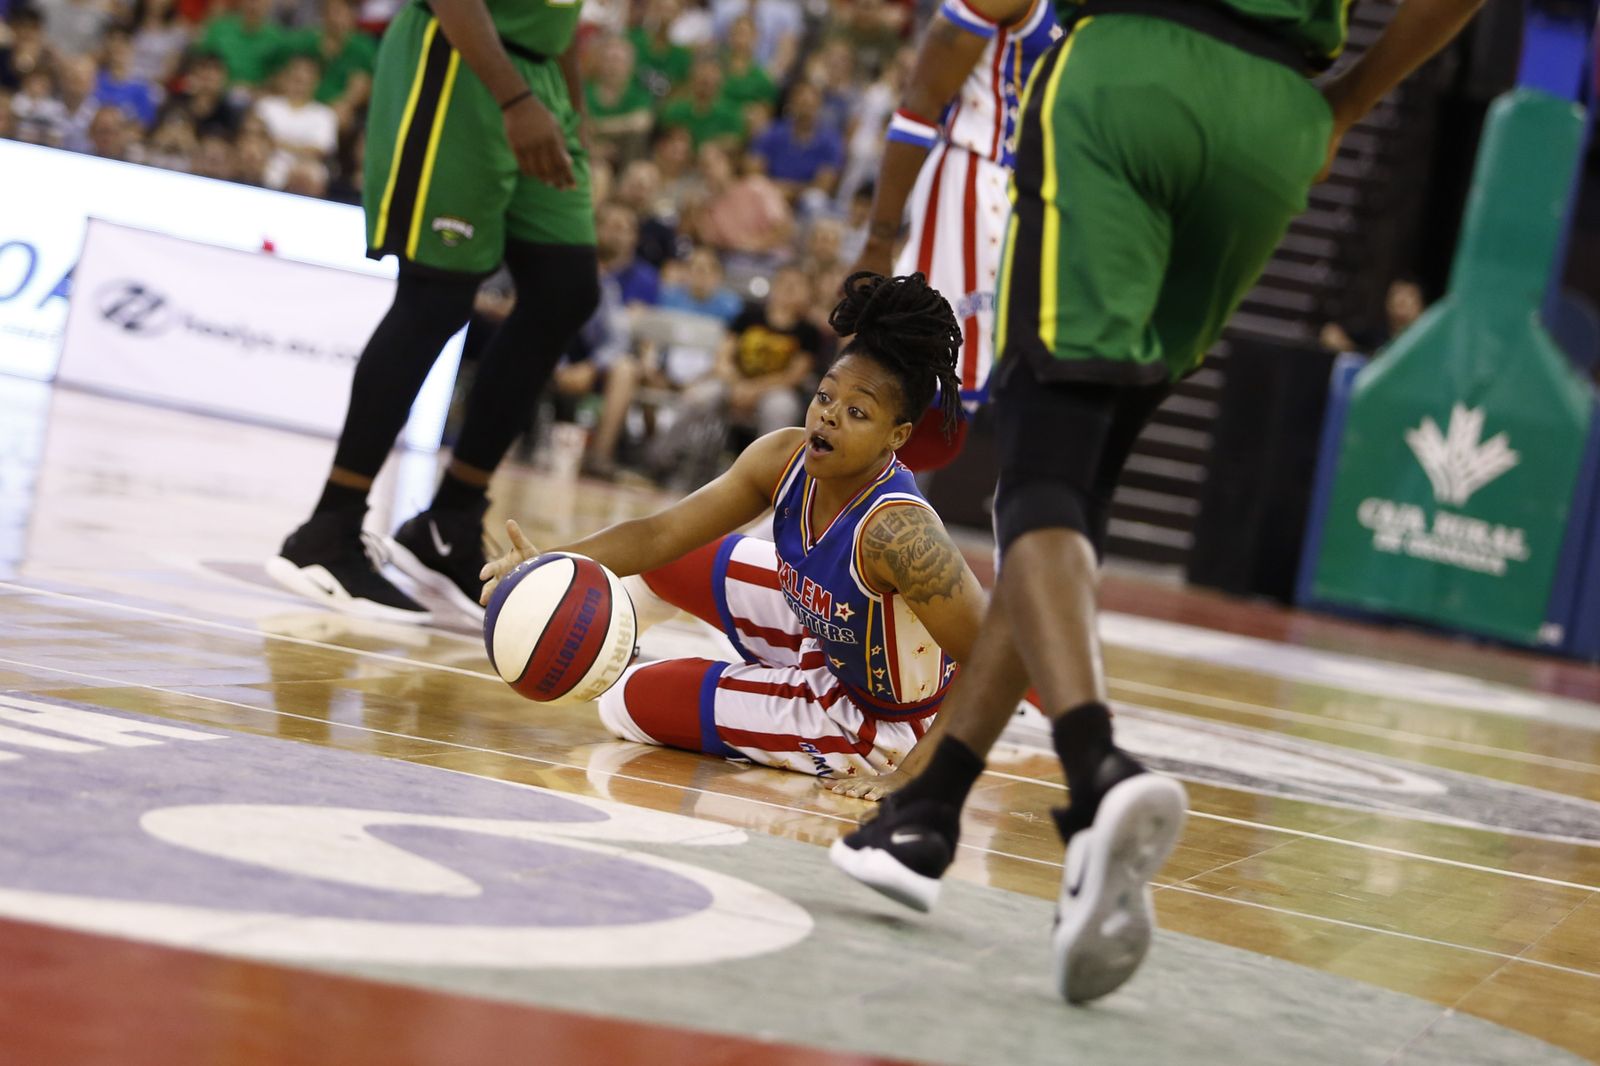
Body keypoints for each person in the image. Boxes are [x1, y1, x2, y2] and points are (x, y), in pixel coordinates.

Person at [829, 0, 1489, 1007]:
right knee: (1073, 490)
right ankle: (930, 807)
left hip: (1127, 79)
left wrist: (887, 215)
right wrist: (1348, 100)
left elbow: (984, 14)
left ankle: (1095, 768)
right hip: (1272, 122)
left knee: (1041, 469)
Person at [479, 272, 988, 781]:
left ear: (894, 437)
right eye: (826, 396)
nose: (828, 417)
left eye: (857, 412)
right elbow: (658, 535)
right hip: (822, 638)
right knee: (670, 559)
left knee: (624, 705)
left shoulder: (901, 535)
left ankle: (742, 685)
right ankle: (636, 636)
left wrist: (916, 777)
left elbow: (990, 655)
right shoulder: (782, 456)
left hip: (870, 721)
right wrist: (546, 564)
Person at [267, 0, 599, 623]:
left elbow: (559, 17)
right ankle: (328, 529)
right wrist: (516, 102)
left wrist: (572, 110)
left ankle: (449, 519)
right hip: (459, 64)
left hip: (538, 80)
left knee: (565, 289)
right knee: (436, 295)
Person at [851, 0, 1059, 472]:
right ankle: (804, 524)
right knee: (914, 386)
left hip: (1034, 202)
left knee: (958, 406)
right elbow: (918, 108)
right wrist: (877, 242)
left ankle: (853, 524)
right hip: (975, 180)